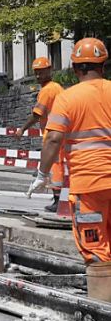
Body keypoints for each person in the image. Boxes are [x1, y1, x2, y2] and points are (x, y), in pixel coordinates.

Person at [33, 38, 111, 266]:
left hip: (89, 186)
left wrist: (42, 174)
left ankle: (102, 298)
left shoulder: (67, 98)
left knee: (95, 248)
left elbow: (54, 138)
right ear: (103, 66)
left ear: (75, 69)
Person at [15, 57, 66, 211]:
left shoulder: (47, 90)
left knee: (56, 167)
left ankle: (58, 201)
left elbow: (37, 114)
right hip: (62, 133)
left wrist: (22, 128)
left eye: (41, 72)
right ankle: (60, 198)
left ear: (49, 70)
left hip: (53, 134)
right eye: (36, 73)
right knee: (60, 166)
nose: (38, 76)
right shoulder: (56, 87)